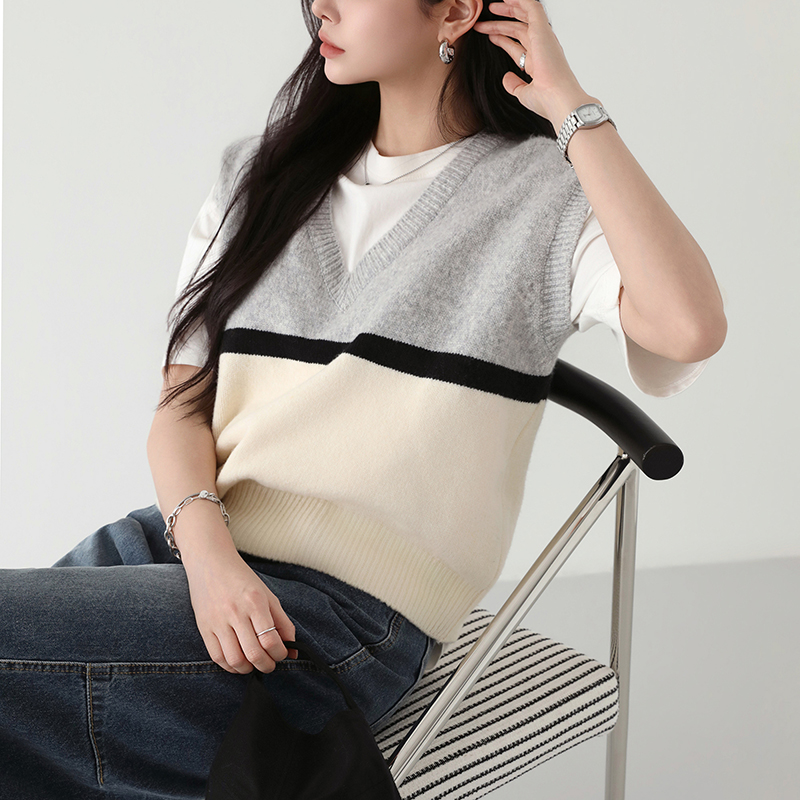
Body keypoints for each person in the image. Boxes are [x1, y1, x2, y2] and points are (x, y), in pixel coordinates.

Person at [0, 0, 727, 797]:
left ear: (455, 10)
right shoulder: (260, 176)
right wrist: (209, 559)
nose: (321, 5)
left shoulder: (545, 201)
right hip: (177, 547)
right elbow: (181, 403)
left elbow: (689, 326)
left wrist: (572, 108)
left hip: (332, 618)